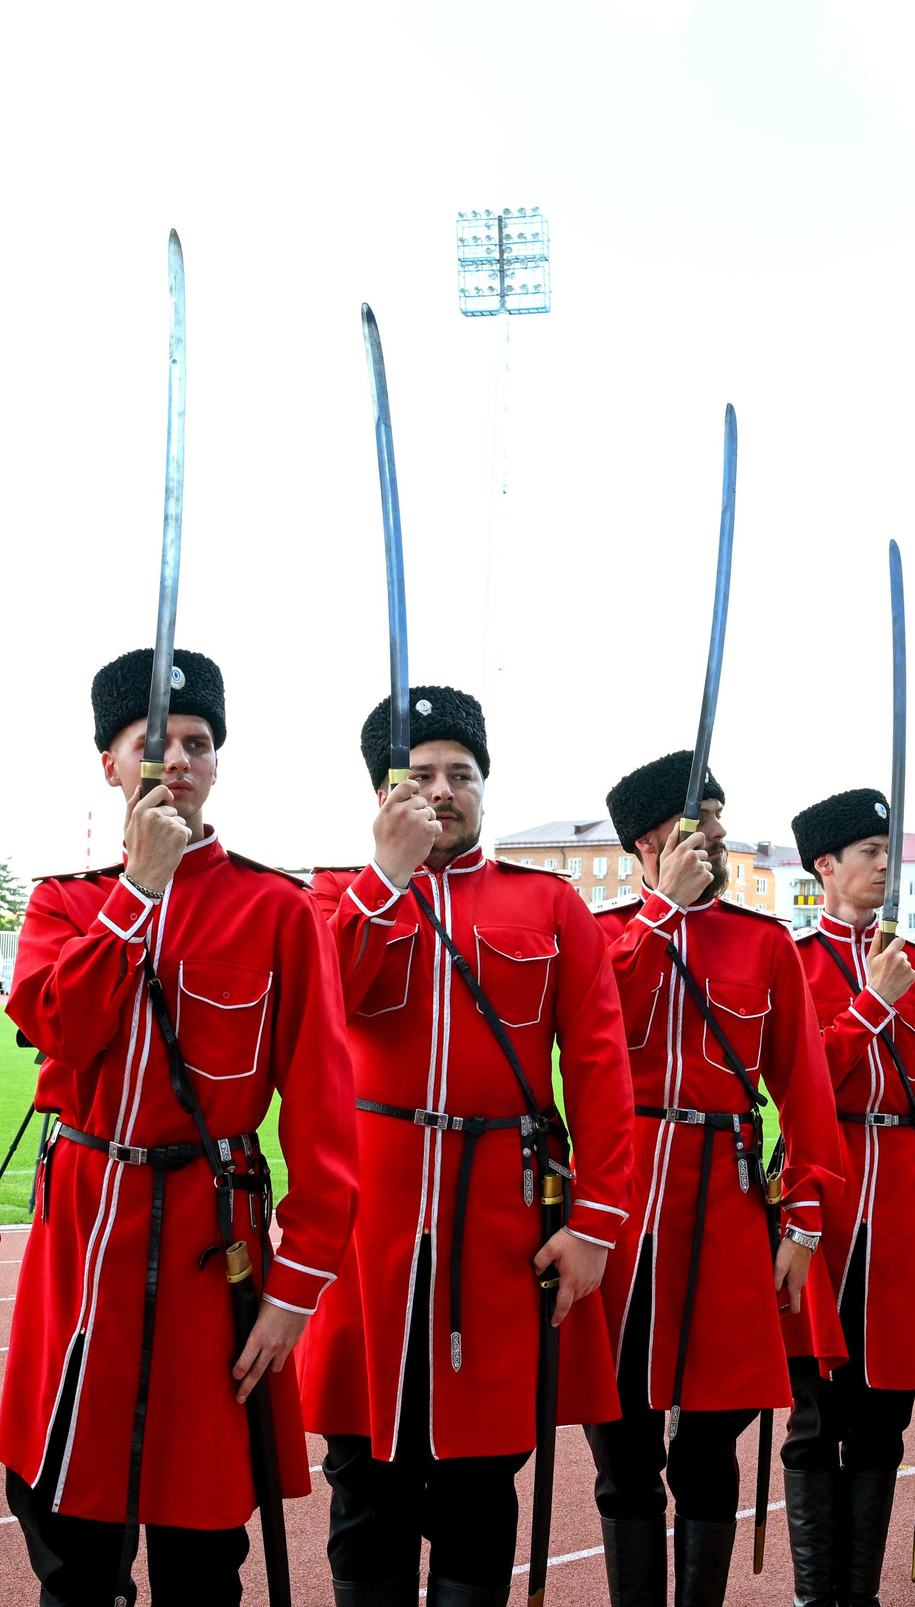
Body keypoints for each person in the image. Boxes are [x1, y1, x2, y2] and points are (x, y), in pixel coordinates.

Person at [0, 648, 359, 1607]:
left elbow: (324, 1117)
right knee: (69, 1535)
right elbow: (59, 1028)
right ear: (109, 764)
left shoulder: (277, 909)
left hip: (217, 1250)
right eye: (153, 744)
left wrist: (295, 1290)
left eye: (198, 744)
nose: (179, 763)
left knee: (204, 1550)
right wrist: (137, 898)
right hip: (85, 1245)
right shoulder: (65, 902)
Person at [301, 686, 636, 1607]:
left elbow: (602, 1070)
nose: (443, 791)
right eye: (420, 776)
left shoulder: (551, 904)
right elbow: (321, 1013)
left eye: (463, 774)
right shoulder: (337, 894)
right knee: (364, 1476)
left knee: (481, 1485)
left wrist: (599, 1222)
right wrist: (385, 881)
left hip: (500, 1227)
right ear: (382, 795)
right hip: (371, 1225)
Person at [585, 750, 842, 1607]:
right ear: (650, 842)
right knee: (622, 1449)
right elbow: (592, 1027)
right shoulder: (603, 933)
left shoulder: (764, 942)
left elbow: (804, 1093)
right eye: (703, 825)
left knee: (710, 1445)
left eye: (721, 821)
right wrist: (660, 915)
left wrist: (803, 1223)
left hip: (727, 1210)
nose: (721, 838)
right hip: (619, 1211)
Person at [781, 789, 915, 1607]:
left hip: (898, 1198)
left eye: (888, 848)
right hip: (817, 1197)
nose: (884, 863)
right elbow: (795, 1085)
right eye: (868, 849)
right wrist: (869, 1005)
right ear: (825, 865)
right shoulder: (788, 962)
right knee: (812, 1418)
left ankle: (856, 1595)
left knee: (882, 1416)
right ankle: (813, 1595)